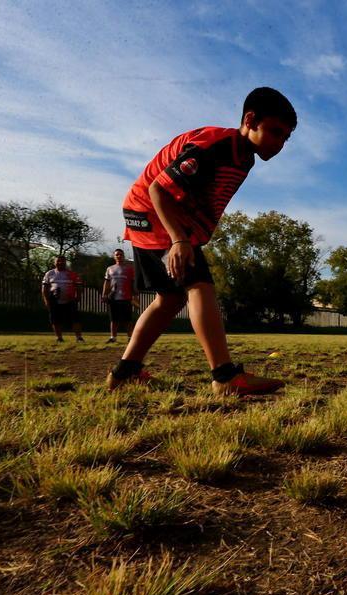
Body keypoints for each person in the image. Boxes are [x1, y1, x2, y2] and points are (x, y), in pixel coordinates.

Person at [107, 87, 296, 395]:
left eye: (285, 138)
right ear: (250, 120)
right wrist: (180, 240)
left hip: (156, 217)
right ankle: (224, 377)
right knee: (199, 285)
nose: (279, 144)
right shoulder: (216, 145)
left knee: (170, 299)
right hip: (154, 213)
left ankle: (124, 372)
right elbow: (159, 190)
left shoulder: (244, 156)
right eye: (275, 132)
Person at [41, 255, 84, 343]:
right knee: (55, 320)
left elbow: (79, 287)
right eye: (58, 261)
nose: (60, 263)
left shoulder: (72, 274)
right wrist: (46, 300)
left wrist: (78, 297)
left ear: (65, 262)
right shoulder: (49, 274)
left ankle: (79, 337)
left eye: (62, 261)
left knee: (75, 319)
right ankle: (59, 338)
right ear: (54, 262)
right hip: (54, 300)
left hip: (70, 301)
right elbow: (44, 289)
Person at [102, 248, 135, 343]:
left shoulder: (129, 269)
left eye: (121, 254)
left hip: (126, 297)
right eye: (117, 254)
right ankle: (113, 337)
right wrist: (104, 294)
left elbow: (133, 283)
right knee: (114, 319)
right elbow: (107, 283)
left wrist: (134, 294)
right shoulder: (110, 269)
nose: (119, 256)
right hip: (113, 298)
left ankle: (130, 337)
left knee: (127, 319)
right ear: (114, 256)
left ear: (123, 256)